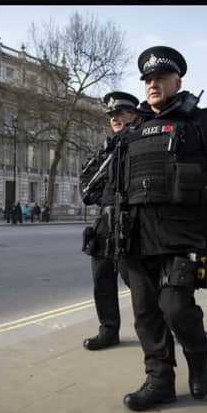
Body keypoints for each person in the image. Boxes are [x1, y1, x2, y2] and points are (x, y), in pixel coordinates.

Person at [113, 46, 207, 411]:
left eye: (159, 78)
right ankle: (159, 381)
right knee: (145, 314)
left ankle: (197, 351)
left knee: (175, 307)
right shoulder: (133, 130)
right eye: (147, 79)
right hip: (137, 236)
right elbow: (118, 187)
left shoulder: (203, 124)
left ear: (178, 81)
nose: (152, 84)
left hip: (185, 233)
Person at [80, 91, 138, 351]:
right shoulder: (107, 148)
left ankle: (155, 326)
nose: (115, 118)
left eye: (120, 113)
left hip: (132, 218)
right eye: (112, 115)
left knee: (136, 279)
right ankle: (108, 329)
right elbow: (86, 186)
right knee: (102, 277)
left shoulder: (140, 141)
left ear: (133, 115)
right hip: (106, 218)